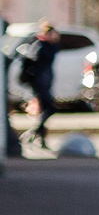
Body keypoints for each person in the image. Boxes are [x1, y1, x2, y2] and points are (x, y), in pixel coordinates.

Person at [22, 22, 61, 150]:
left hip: (44, 81)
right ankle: (34, 135)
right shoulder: (41, 46)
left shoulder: (45, 46)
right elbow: (41, 61)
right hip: (40, 83)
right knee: (48, 108)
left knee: (46, 109)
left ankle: (37, 136)